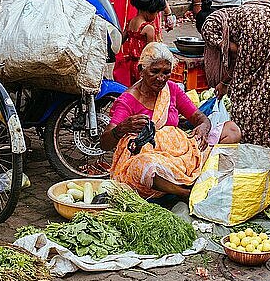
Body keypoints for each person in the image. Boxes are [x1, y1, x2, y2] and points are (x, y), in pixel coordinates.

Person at [101, 43, 242, 199]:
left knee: (231, 130)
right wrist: (121, 128)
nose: (161, 78)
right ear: (141, 70)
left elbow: (199, 118)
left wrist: (203, 128)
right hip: (153, 158)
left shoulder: (171, 89)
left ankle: (190, 179)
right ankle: (184, 192)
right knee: (144, 166)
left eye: (166, 72)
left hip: (183, 151)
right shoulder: (128, 100)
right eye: (155, 72)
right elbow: (104, 143)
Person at [199, 0, 270, 150]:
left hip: (260, 23)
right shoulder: (231, 14)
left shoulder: (209, 26)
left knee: (247, 87)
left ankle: (251, 137)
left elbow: (235, 51)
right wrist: (224, 82)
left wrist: (227, 82)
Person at [113, 0, 166, 87]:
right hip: (141, 67)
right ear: (149, 9)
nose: (156, 16)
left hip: (129, 65)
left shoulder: (131, 22)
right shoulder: (148, 28)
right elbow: (152, 51)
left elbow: (120, 40)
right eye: (156, 12)